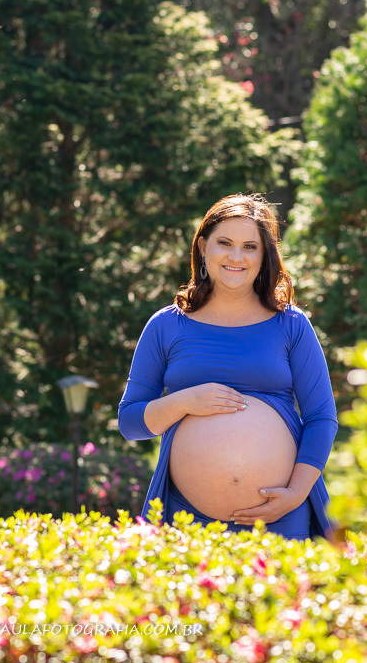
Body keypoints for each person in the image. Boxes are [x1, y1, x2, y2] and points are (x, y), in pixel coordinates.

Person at [117, 194, 338, 540]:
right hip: (186, 519)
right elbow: (130, 423)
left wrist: (295, 494)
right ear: (203, 247)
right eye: (225, 243)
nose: (236, 257)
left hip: (280, 515)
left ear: (264, 256)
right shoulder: (166, 326)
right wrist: (186, 402)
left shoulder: (291, 324)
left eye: (250, 247)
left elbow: (322, 418)